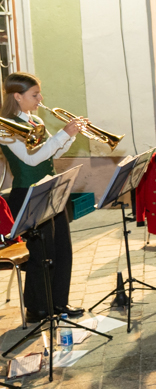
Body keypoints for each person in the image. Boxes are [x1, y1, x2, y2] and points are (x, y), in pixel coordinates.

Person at [0, 73, 86, 322]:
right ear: (18, 96)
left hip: (49, 188)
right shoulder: (6, 127)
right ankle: (37, 308)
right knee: (41, 254)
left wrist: (70, 135)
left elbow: (51, 152)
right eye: (34, 95)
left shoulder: (34, 120)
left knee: (62, 249)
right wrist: (62, 134)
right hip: (27, 193)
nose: (41, 99)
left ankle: (58, 303)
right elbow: (31, 158)